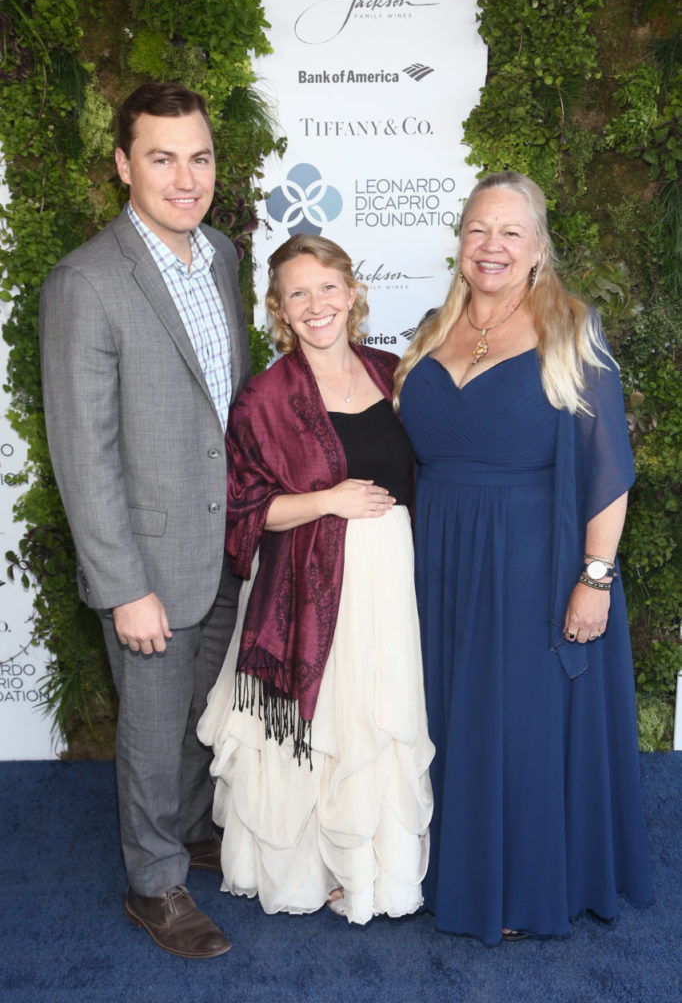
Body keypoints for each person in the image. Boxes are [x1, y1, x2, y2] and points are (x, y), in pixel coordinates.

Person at [395, 171, 654, 944]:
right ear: (461, 241)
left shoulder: (572, 329)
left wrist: (594, 578)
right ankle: (446, 872)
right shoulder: (431, 328)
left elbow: (607, 467)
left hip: (530, 562)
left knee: (517, 724)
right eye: (479, 229)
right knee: (447, 719)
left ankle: (516, 889)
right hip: (438, 558)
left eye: (511, 232)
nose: (493, 246)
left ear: (540, 246)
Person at [40, 82, 252, 958]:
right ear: (124, 166)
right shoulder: (86, 283)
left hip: (229, 545)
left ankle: (195, 831)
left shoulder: (227, 256)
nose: (184, 177)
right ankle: (155, 883)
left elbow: (224, 409)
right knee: (153, 730)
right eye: (161, 158)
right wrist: (124, 586)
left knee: (206, 714)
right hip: (150, 562)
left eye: (198, 157)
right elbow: (82, 455)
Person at [198, 234, 434, 924]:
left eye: (327, 287)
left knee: (375, 726)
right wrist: (329, 500)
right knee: (317, 732)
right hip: (308, 593)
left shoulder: (396, 372)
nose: (316, 304)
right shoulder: (264, 399)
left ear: (352, 293)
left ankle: (368, 872)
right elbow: (244, 509)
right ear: (279, 310)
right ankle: (311, 869)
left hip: (390, 586)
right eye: (297, 293)